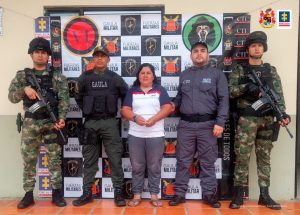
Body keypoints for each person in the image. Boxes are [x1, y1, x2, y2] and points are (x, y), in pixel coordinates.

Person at [228, 31, 290, 210]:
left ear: (264, 49)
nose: (256, 48)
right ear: (248, 49)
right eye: (253, 45)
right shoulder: (240, 69)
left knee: (264, 157)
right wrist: (248, 88)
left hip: (267, 119)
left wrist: (282, 114)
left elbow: (278, 94)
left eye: (259, 46)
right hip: (247, 119)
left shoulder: (271, 70)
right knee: (242, 157)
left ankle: (264, 195)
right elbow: (231, 91)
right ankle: (238, 195)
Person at [8, 37, 69, 208]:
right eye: (37, 52)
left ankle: (56, 194)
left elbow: (64, 100)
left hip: (51, 122)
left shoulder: (57, 77)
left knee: (54, 160)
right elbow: (11, 97)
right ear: (31, 55)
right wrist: (24, 89)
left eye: (43, 53)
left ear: (48, 56)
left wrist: (62, 118)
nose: (40, 56)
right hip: (30, 124)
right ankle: (28, 195)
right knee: (29, 160)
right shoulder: (22, 76)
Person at [168, 42, 229, 208]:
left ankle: (209, 194)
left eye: (203, 51)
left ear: (208, 55)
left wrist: (220, 122)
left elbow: (224, 100)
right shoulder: (184, 75)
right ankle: (179, 194)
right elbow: (179, 98)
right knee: (182, 161)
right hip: (186, 125)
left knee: (208, 162)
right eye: (195, 51)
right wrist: (171, 105)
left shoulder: (217, 75)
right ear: (191, 55)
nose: (199, 54)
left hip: (208, 126)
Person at [72, 46, 128, 207]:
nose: (99, 59)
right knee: (89, 159)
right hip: (90, 123)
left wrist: (124, 110)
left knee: (115, 159)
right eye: (96, 56)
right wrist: (86, 110)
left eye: (103, 56)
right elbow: (78, 96)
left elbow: (126, 93)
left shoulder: (115, 78)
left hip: (110, 122)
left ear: (108, 59)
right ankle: (87, 193)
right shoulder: (84, 77)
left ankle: (119, 193)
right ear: (93, 59)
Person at [121, 63, 172, 207]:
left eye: (148, 73)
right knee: (137, 166)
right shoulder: (132, 91)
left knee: (154, 166)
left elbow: (167, 107)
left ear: (153, 76)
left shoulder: (160, 90)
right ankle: (137, 195)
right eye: (142, 73)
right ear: (138, 75)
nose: (145, 75)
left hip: (155, 135)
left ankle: (154, 196)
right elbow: (125, 109)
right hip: (135, 135)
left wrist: (154, 119)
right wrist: (135, 118)